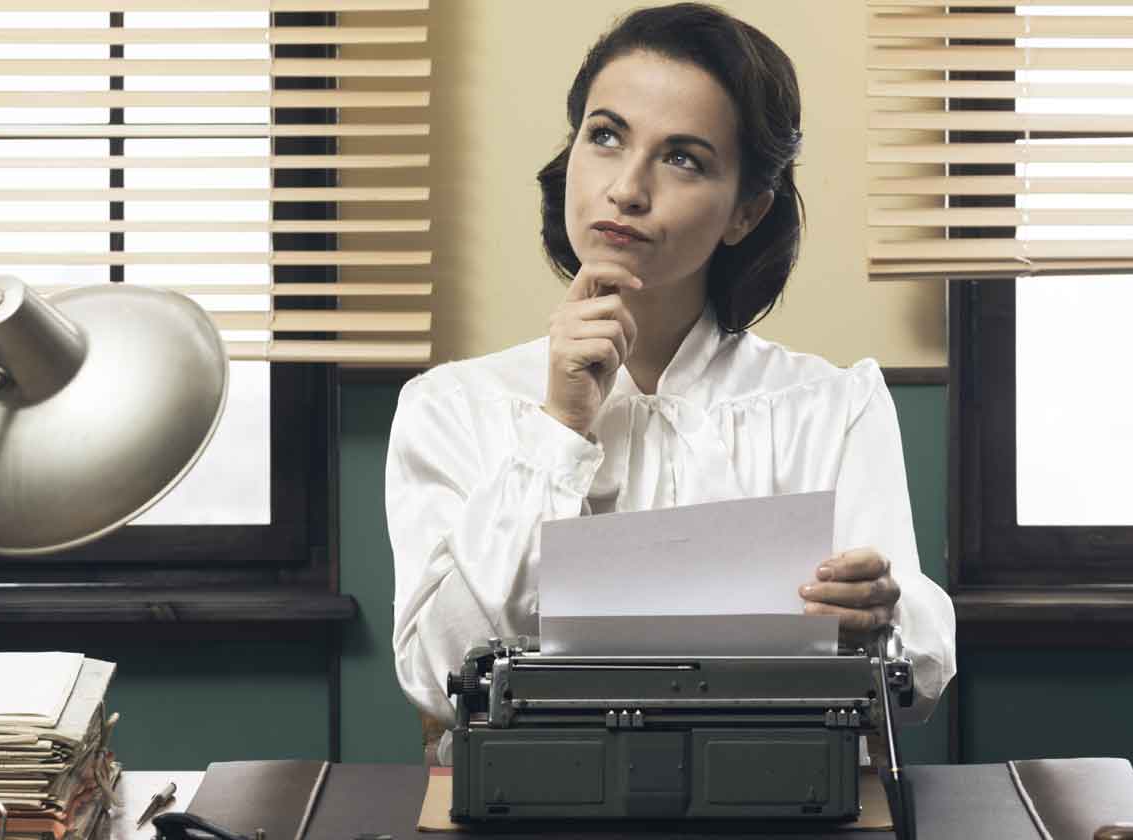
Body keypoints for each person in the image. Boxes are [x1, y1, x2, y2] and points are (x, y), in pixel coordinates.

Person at [386, 2, 955, 762]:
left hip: (776, 801)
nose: (626, 188)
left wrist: (879, 614)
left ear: (746, 211)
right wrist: (558, 428)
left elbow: (920, 678)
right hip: (531, 806)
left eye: (683, 157)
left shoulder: (831, 405)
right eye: (606, 136)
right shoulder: (452, 408)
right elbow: (434, 673)